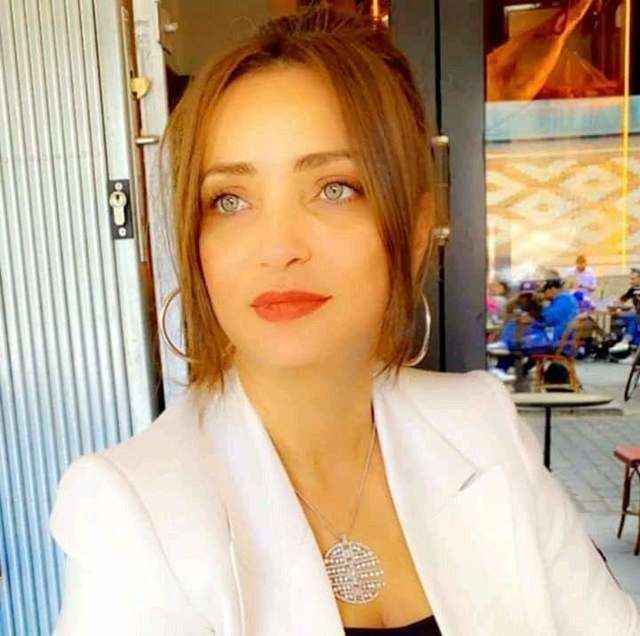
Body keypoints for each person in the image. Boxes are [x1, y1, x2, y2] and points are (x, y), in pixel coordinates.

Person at [49, 8, 638, 635]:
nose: (278, 248)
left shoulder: (482, 425)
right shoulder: (131, 507)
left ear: (414, 232)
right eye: (230, 200)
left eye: (334, 188)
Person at [490, 278, 579, 380]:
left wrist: (532, 320)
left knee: (516, 342)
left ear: (552, 289)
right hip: (554, 338)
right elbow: (546, 321)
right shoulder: (564, 300)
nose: (544, 294)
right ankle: (501, 361)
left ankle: (502, 357)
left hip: (555, 341)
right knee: (515, 328)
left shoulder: (564, 300)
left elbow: (548, 318)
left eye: (545, 291)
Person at [609, 267, 640, 355]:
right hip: (636, 315)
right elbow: (621, 300)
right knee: (617, 315)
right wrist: (616, 305)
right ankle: (615, 340)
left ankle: (626, 341)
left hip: (636, 315)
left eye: (633, 279)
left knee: (633, 318)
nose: (631, 281)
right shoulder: (633, 290)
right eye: (630, 279)